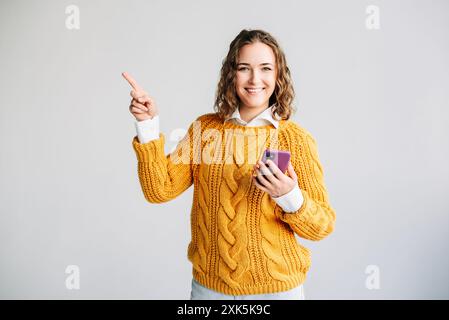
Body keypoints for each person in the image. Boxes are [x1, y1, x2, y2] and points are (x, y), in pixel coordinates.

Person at [123, 29, 336, 300]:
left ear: (278, 75)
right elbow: (158, 189)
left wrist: (289, 196)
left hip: (277, 291)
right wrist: (147, 124)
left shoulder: (295, 139)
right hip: (209, 290)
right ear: (231, 74)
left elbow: (321, 227)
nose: (255, 79)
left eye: (266, 68)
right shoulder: (204, 129)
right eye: (244, 68)